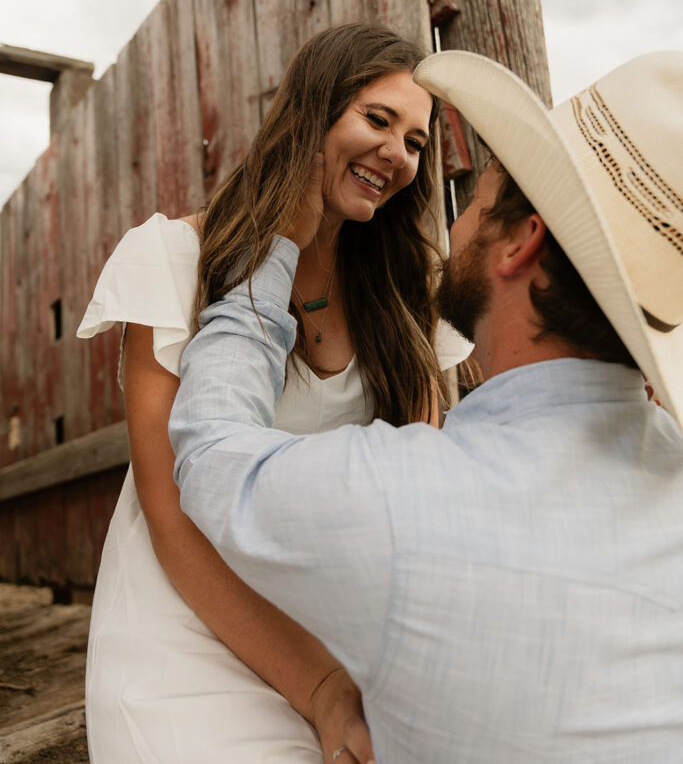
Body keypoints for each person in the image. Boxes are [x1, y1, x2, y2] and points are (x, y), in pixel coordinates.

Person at [169, 50, 683, 763]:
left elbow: (211, 455)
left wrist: (272, 251)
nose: (456, 220)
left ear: (521, 241)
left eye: (475, 199)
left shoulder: (402, 499)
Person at [77, 23, 470, 764]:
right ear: (310, 115)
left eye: (416, 142)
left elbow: (423, 492)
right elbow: (172, 521)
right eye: (376, 120)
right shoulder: (175, 256)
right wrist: (319, 690)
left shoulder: (400, 291)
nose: (396, 153)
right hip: (187, 622)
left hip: (338, 621)